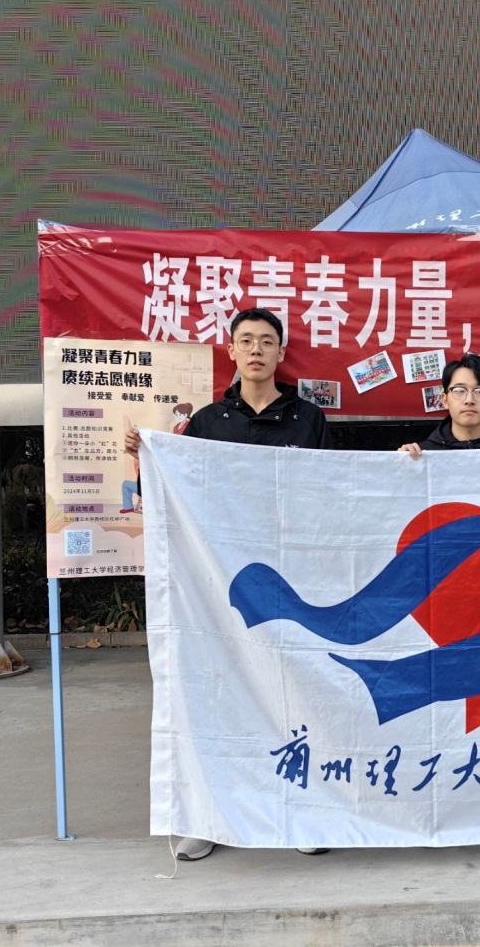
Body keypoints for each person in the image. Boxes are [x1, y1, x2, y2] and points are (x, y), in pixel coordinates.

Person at [125, 307, 333, 861]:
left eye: (267, 341)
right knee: (219, 692)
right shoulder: (208, 422)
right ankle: (209, 817)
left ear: (281, 352)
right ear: (232, 350)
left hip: (292, 581)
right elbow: (176, 493)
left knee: (295, 692)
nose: (257, 349)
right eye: (247, 340)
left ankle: (301, 813)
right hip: (218, 583)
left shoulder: (309, 419)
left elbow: (328, 493)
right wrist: (147, 461)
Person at [398, 353, 480, 456]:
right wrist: (398, 464)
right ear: (445, 400)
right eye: (460, 390)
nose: (469, 400)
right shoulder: (421, 454)